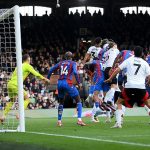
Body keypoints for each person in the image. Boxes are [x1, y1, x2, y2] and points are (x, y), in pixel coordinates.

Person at [105, 46, 150, 128]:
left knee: (119, 102)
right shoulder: (145, 63)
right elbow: (149, 75)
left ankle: (118, 123)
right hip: (141, 88)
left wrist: (110, 78)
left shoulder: (129, 60)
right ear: (142, 53)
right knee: (148, 104)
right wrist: (148, 82)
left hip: (129, 87)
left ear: (133, 52)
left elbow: (118, 69)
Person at [0, 54, 49, 123]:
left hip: (10, 84)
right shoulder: (27, 66)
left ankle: (3, 116)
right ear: (28, 59)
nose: (30, 60)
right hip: (16, 85)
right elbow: (36, 73)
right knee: (27, 98)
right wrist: (44, 79)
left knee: (12, 100)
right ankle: (19, 113)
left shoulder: (19, 66)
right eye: (30, 59)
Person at [47, 51, 86, 127]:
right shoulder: (73, 63)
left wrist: (48, 78)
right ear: (71, 57)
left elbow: (51, 69)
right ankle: (79, 120)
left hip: (60, 83)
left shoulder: (60, 63)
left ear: (65, 57)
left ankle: (59, 121)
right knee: (78, 100)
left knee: (61, 102)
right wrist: (79, 82)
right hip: (67, 82)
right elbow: (75, 72)